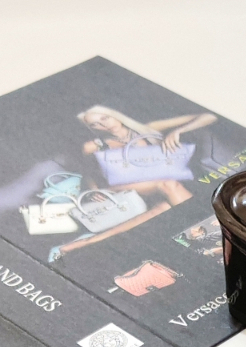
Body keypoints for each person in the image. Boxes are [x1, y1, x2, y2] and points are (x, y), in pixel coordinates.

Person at [49, 105, 218, 262]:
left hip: (159, 185)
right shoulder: (93, 146)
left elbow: (209, 116)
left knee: (164, 207)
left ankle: (85, 242)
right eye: (95, 124)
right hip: (121, 186)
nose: (103, 125)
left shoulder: (146, 129)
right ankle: (208, 232)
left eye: (105, 118)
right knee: (167, 184)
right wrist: (94, 190)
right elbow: (87, 172)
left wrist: (178, 131)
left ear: (115, 115)